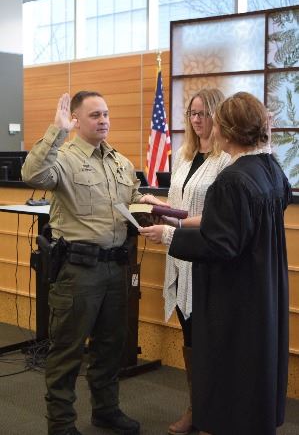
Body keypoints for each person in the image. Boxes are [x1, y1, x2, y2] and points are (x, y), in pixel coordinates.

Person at [139, 92, 292, 435]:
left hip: (235, 291)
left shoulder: (232, 179)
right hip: (263, 283)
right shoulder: (270, 168)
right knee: (257, 364)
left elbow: (220, 243)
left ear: (226, 129)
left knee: (230, 365)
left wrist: (168, 235)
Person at [22, 91, 166, 435]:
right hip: (77, 271)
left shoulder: (120, 161)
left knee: (110, 346)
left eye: (106, 113)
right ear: (75, 120)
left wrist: (144, 203)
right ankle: (61, 424)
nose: (103, 120)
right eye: (94, 115)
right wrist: (55, 132)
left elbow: (129, 199)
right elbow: (32, 175)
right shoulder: (64, 158)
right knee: (67, 351)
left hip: (116, 268)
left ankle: (106, 410)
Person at [151, 88, 231, 435]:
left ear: (219, 116)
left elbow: (215, 216)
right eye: (193, 114)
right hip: (181, 257)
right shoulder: (184, 157)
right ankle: (195, 408)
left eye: (205, 113)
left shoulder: (226, 160)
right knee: (190, 338)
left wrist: (176, 222)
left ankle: (216, 414)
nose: (198, 120)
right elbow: (176, 203)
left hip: (208, 258)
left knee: (211, 342)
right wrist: (154, 205)